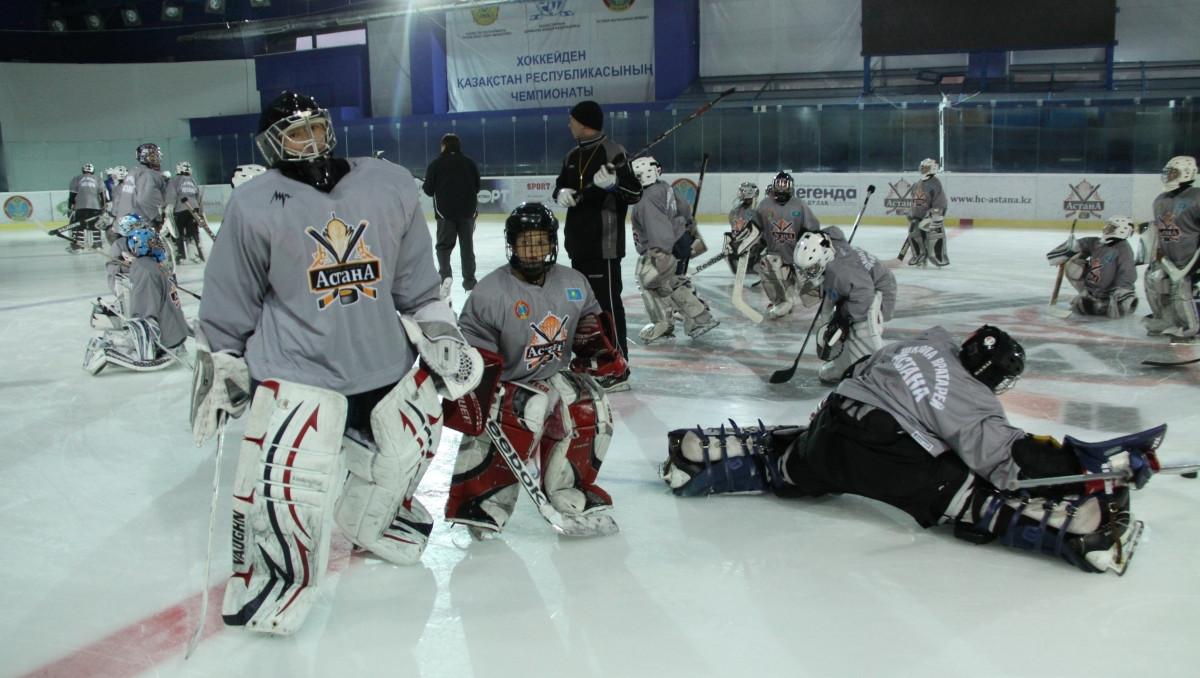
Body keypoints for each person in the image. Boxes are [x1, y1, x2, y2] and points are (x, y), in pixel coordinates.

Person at [189, 91, 483, 636]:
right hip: (297, 372)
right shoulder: (254, 203)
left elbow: (417, 286)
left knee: (410, 451)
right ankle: (282, 576)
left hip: (382, 364)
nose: (312, 140)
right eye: (296, 132)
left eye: (318, 128)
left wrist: (441, 332)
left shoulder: (386, 185)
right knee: (292, 488)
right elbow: (230, 297)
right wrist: (223, 360)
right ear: (272, 142)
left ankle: (374, 518)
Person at [660, 325, 1156, 575]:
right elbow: (1010, 464)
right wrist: (1092, 469)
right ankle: (1084, 534)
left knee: (786, 464)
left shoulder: (925, 342)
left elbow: (861, 372)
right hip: (886, 457)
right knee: (974, 496)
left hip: (834, 425)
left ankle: (701, 455)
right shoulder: (974, 403)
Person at [443, 202, 628, 537]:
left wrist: (600, 352)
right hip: (506, 380)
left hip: (551, 373)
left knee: (590, 402)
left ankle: (566, 488)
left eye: (540, 241)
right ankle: (484, 500)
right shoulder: (489, 292)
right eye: (525, 241)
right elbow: (472, 358)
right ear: (511, 244)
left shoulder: (574, 282)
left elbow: (590, 332)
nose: (533, 250)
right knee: (527, 407)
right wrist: (473, 391)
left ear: (552, 244)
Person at [552, 100, 642, 391]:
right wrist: (561, 192)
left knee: (608, 305)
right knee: (588, 309)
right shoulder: (571, 155)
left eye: (572, 120)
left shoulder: (614, 152)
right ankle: (600, 360)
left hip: (604, 244)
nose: (569, 125)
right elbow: (559, 186)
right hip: (578, 243)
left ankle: (621, 367)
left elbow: (635, 193)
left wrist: (615, 183)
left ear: (584, 122)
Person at [628, 156, 719, 343]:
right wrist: (689, 229)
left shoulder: (647, 200)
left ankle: (681, 321)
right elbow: (685, 209)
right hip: (680, 240)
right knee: (671, 282)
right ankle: (695, 318)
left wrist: (660, 253)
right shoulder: (663, 187)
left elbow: (658, 229)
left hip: (667, 246)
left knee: (653, 282)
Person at [794, 227, 896, 383]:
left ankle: (876, 371)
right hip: (860, 286)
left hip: (878, 290)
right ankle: (842, 366)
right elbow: (834, 231)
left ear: (824, 257)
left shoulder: (841, 271)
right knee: (835, 327)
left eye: (812, 268)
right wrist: (816, 233)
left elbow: (864, 296)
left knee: (860, 329)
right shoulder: (830, 243)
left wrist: (844, 315)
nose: (809, 274)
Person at [84, 227, 188, 374]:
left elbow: (144, 316)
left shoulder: (143, 269)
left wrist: (146, 349)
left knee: (102, 343)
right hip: (178, 336)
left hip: (165, 343)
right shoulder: (156, 265)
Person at [1143, 156, 1200, 342]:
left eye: (1173, 172)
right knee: (1153, 279)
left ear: (1187, 173)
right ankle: (1166, 320)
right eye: (1167, 172)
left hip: (1190, 258)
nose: (1168, 176)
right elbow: (1159, 230)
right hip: (1167, 259)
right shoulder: (1161, 200)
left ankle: (1190, 326)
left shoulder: (1197, 196)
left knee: (1180, 288)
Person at [752, 171, 820, 319]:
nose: (782, 189)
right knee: (769, 268)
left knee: (810, 290)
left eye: (785, 186)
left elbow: (813, 228)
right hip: (774, 254)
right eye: (779, 185)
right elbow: (754, 230)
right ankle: (782, 301)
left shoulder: (799, 205)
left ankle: (825, 301)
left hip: (796, 255)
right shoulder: (764, 205)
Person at [1046, 216, 1138, 318]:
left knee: (1122, 300)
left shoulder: (1123, 250)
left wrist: (1121, 294)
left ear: (1121, 230)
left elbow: (1127, 273)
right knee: (1075, 264)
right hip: (1092, 291)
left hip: (1108, 293)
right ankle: (1089, 295)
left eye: (1111, 227)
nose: (1106, 228)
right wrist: (1064, 253)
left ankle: (1105, 302)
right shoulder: (1097, 243)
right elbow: (1080, 244)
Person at [423, 133, 482, 291]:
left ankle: (445, 276)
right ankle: (470, 282)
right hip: (467, 212)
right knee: (467, 247)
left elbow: (428, 190)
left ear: (443, 146)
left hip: (445, 213)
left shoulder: (436, 164)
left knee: (443, 247)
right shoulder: (469, 163)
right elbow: (477, 186)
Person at [110, 144, 166, 241]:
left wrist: (114, 216)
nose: (157, 158)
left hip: (123, 223)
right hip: (140, 224)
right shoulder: (149, 174)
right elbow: (145, 199)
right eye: (154, 155)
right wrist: (158, 216)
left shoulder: (132, 172)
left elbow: (119, 197)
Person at [905, 158, 949, 267]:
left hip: (929, 217)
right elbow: (915, 201)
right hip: (918, 218)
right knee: (915, 235)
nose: (922, 169)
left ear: (932, 169)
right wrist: (911, 213)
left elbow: (940, 201)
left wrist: (934, 215)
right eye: (922, 167)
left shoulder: (935, 183)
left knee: (934, 235)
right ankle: (919, 256)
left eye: (925, 167)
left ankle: (938, 257)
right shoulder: (917, 184)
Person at [164, 161, 206, 263]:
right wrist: (200, 212)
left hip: (180, 208)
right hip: (193, 208)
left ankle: (180, 256)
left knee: (177, 233)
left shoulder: (175, 180)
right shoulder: (193, 181)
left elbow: (171, 195)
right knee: (192, 232)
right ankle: (195, 254)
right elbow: (197, 196)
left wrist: (170, 208)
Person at [65, 163, 107, 253]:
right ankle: (97, 245)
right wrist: (104, 205)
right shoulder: (98, 179)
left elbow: (72, 195)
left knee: (80, 225)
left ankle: (78, 246)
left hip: (81, 206)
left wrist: (70, 207)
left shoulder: (77, 178)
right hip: (95, 207)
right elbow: (103, 195)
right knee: (95, 225)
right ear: (93, 170)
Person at [724, 181, 761, 274]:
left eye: (743, 191)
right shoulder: (736, 209)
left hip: (752, 245)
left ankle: (755, 262)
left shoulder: (757, 209)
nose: (741, 193)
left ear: (750, 193)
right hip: (738, 242)